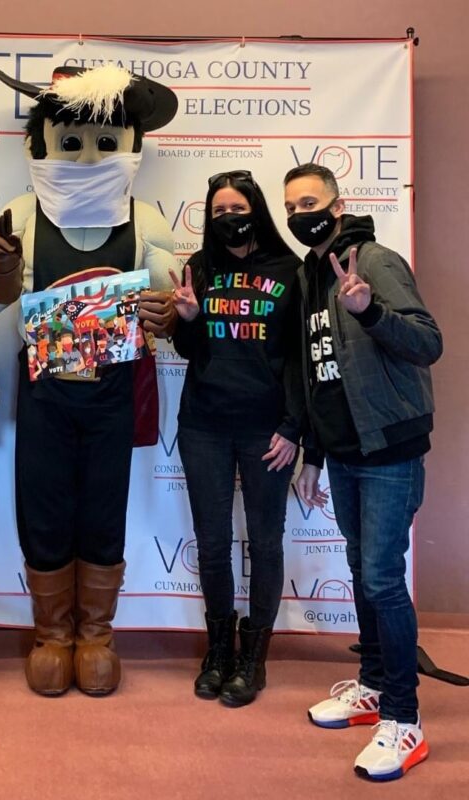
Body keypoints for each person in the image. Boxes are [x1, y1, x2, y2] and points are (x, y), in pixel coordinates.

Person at [0, 63, 179, 696]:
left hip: (114, 396)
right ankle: (51, 634)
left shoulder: (144, 218)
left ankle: (96, 634)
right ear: (41, 143)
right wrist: (4, 271)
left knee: (103, 508)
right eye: (71, 142)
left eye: (104, 142)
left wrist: (167, 309)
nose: (88, 157)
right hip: (46, 396)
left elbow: (168, 294)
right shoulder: (22, 213)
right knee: (44, 508)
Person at [285, 163, 442, 781]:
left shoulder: (373, 260)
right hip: (344, 451)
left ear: (338, 203)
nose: (302, 212)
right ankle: (375, 684)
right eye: (292, 203)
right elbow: (321, 375)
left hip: (390, 451)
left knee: (380, 579)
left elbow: (428, 343)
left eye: (311, 201)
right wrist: (315, 454)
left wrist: (370, 309)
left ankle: (404, 721)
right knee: (360, 569)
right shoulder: (308, 276)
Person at [170, 170, 304, 707]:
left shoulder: (290, 271)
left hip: (266, 429)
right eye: (218, 211)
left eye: (237, 208)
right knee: (212, 543)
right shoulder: (200, 269)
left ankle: (254, 657)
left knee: (267, 542)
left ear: (257, 209)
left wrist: (293, 428)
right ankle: (219, 650)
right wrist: (188, 320)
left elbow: (299, 357)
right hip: (203, 424)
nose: (229, 218)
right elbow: (187, 350)